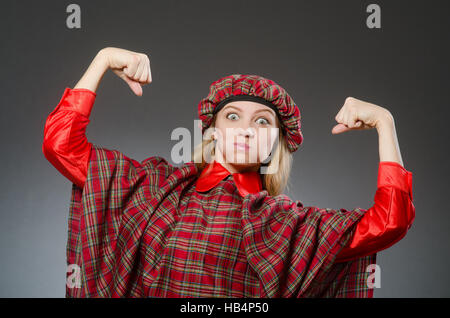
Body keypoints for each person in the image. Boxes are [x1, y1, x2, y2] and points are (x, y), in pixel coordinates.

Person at [42, 47, 415, 298]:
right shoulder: (153, 188)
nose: (246, 129)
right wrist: (103, 59)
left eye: (263, 121)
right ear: (213, 128)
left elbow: (390, 221)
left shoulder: (291, 226)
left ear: (277, 143)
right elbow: (61, 145)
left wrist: (386, 123)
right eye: (232, 116)